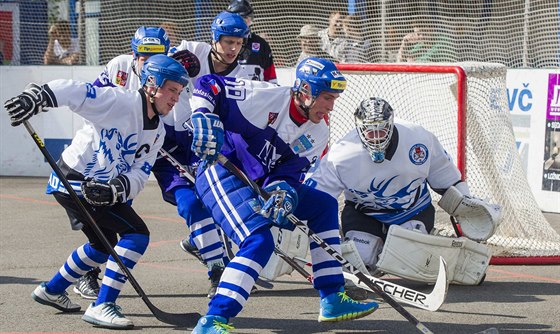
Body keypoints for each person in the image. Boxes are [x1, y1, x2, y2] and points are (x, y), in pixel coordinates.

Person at [188, 57, 378, 333]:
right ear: (304, 91)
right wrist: (203, 116)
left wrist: (284, 191)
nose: (330, 106)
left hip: (258, 183)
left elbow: (288, 174)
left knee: (323, 205)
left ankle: (332, 297)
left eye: (334, 98)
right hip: (220, 170)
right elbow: (208, 85)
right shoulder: (263, 97)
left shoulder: (319, 132)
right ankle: (213, 320)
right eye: (326, 97)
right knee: (259, 240)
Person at [4, 54, 190, 329]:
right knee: (136, 234)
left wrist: (120, 187)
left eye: (179, 92)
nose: (175, 98)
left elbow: (140, 170)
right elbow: (76, 92)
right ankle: (103, 305)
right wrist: (38, 96)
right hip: (75, 181)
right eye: (172, 90)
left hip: (95, 187)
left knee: (102, 246)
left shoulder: (157, 131)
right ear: (152, 84)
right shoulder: (119, 102)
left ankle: (52, 290)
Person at [305, 97, 502, 292]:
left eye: (381, 129)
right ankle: (371, 258)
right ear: (359, 128)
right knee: (361, 261)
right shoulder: (341, 155)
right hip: (364, 215)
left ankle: (429, 245)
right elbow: (316, 197)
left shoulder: (418, 138)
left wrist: (463, 206)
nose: (376, 137)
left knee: (411, 260)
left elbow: (447, 180)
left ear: (391, 124)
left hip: (412, 211)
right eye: (369, 132)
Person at [71, 26, 174, 301]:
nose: (148, 62)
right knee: (104, 225)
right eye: (143, 56)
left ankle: (94, 277)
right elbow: (93, 99)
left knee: (119, 214)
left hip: (131, 157)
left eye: (157, 56)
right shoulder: (119, 67)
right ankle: (89, 276)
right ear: (133, 54)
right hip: (105, 153)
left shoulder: (166, 75)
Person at [226, 0, 278, 83]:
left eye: (248, 18)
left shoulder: (261, 44)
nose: (246, 22)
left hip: (256, 94)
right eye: (243, 18)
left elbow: (271, 78)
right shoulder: (222, 42)